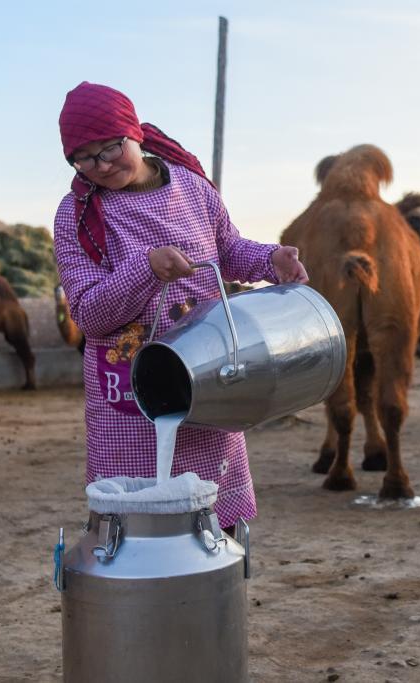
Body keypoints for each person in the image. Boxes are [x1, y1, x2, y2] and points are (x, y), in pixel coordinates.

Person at [54, 81, 308, 529]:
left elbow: (227, 250)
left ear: (134, 133)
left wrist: (270, 258)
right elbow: (90, 313)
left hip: (209, 379)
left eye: (111, 149)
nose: (101, 166)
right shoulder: (77, 216)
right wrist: (147, 269)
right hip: (133, 395)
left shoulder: (191, 187)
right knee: (139, 532)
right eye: (85, 158)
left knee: (215, 527)